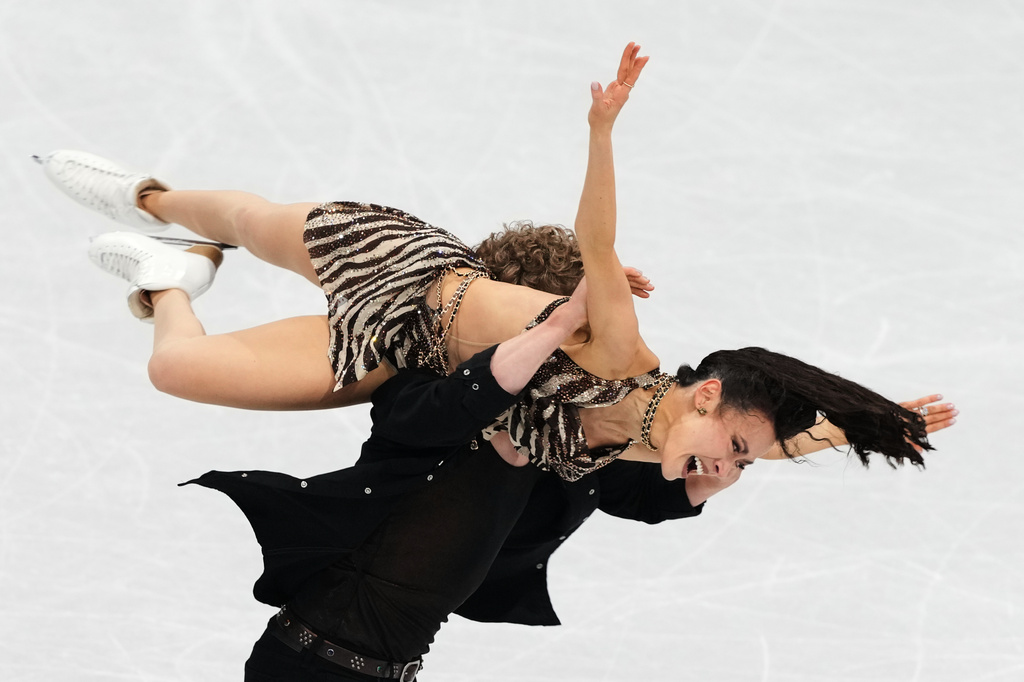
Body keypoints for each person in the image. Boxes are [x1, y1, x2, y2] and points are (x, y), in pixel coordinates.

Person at [39, 43, 946, 484]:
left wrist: (871, 426)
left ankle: (174, 277)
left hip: (392, 354)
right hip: (403, 269)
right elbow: (598, 243)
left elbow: (785, 439)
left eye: (743, 464)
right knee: (249, 216)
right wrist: (601, 131)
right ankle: (149, 200)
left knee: (176, 369)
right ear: (707, 396)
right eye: (735, 452)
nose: (730, 470)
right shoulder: (619, 350)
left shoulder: (645, 441)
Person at [185, 278, 709, 681]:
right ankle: (170, 287)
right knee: (174, 365)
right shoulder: (426, 397)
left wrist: (722, 463)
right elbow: (476, 391)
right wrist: (559, 322)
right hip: (309, 663)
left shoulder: (562, 447)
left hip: (390, 669)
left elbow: (642, 492)